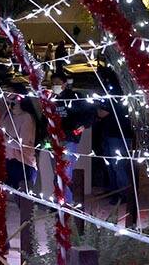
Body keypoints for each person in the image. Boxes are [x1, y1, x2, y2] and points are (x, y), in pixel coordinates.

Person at [51, 72, 93, 204]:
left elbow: (89, 113)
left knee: (66, 171)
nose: (55, 86)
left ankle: (67, 201)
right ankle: (59, 198)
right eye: (53, 84)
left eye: (57, 83)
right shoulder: (52, 98)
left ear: (64, 83)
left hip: (70, 139)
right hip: (55, 139)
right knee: (57, 171)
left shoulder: (75, 97)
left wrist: (81, 127)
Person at [94, 99, 134, 204]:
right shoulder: (115, 98)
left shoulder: (115, 99)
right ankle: (116, 193)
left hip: (117, 135)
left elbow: (103, 113)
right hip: (113, 134)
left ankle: (123, 194)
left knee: (117, 166)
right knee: (112, 166)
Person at [1, 94, 39, 192]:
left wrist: (1, 139)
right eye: (8, 103)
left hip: (23, 163)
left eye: (13, 103)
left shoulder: (27, 117)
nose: (10, 106)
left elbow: (21, 144)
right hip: (7, 161)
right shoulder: (6, 115)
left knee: (24, 201)